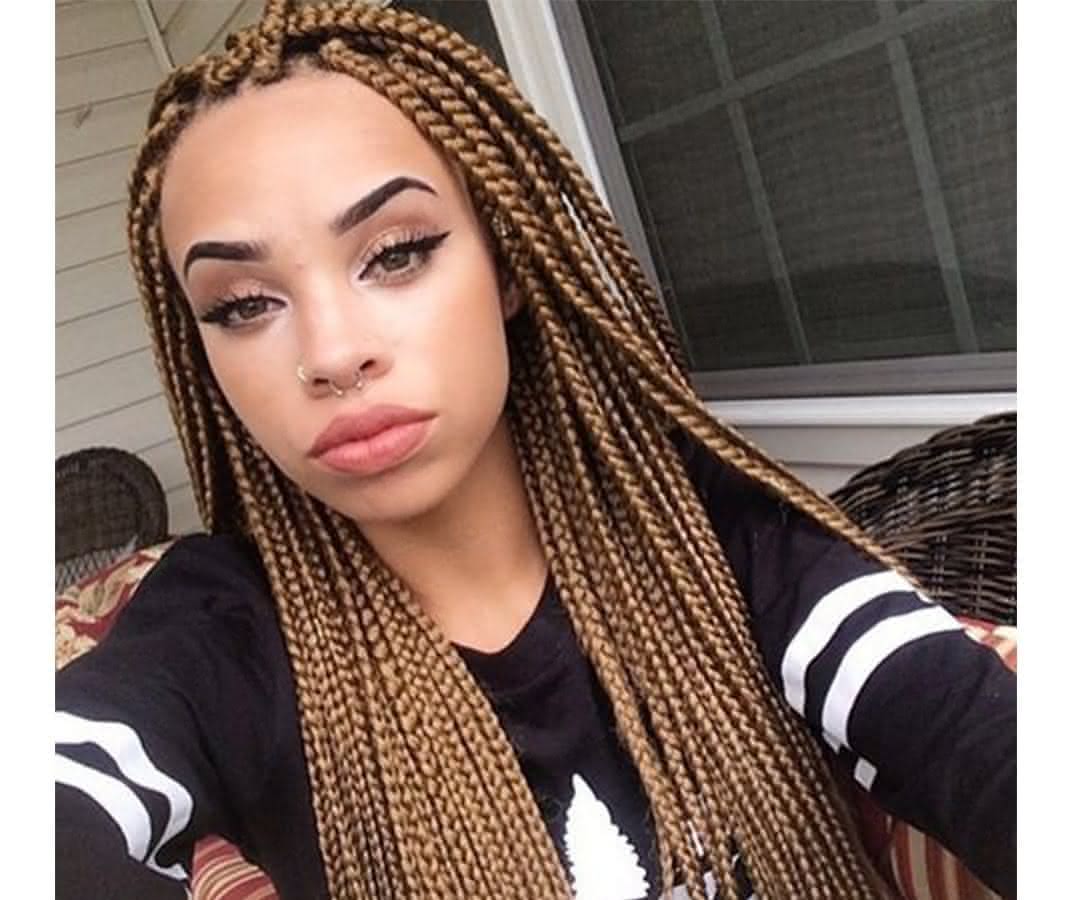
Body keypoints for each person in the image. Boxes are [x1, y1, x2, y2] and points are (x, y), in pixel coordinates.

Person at [55, 2, 1015, 898]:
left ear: (506, 264)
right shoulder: (219, 633)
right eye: (241, 305)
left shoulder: (703, 529)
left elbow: (960, 730)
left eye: (396, 253)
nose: (333, 353)